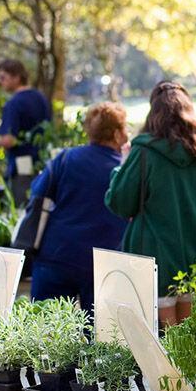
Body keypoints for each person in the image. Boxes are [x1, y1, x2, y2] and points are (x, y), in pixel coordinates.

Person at [105, 81, 196, 298]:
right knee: (189, 326)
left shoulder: (144, 151)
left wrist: (122, 165)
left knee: (157, 329)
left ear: (153, 112)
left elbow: (120, 202)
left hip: (153, 256)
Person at [29, 103, 129, 315]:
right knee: (100, 340)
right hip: (104, 264)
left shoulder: (65, 158)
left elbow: (37, 193)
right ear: (117, 133)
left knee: (44, 332)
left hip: (56, 255)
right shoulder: (124, 170)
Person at [0, 59, 52, 181]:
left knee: (21, 200)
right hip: (44, 165)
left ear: (16, 77)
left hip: (21, 170)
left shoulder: (13, 104)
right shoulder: (41, 98)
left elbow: (10, 139)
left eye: (3, 78)